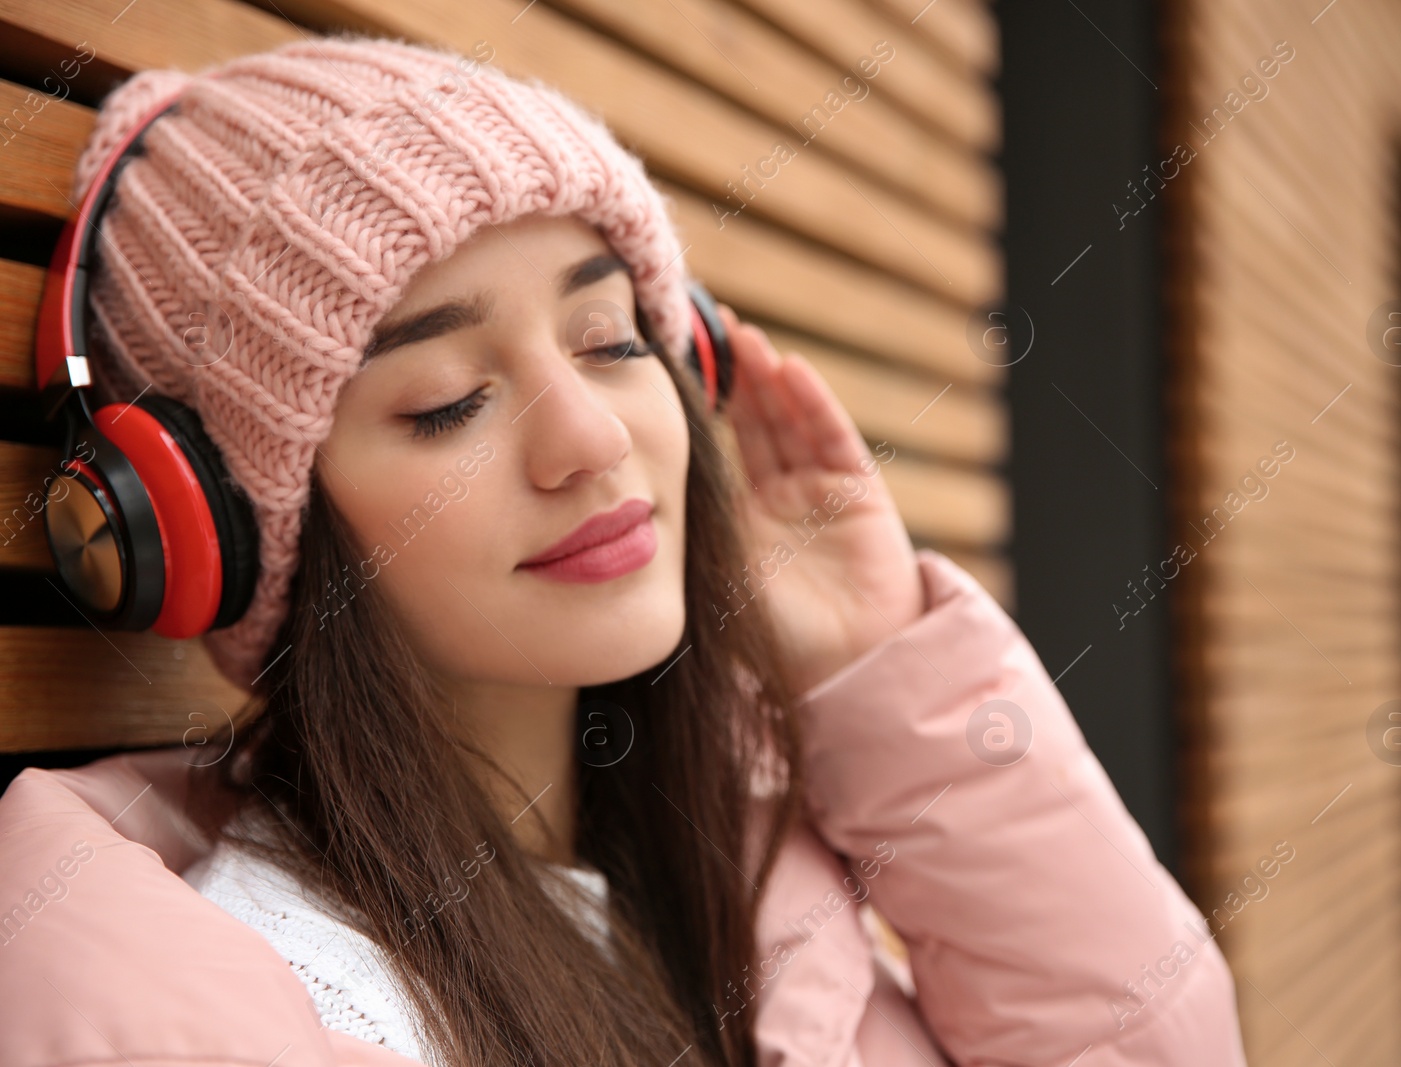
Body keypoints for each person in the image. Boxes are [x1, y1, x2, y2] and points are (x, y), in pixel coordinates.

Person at [0, 33, 1248, 1067]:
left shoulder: (739, 877)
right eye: (445, 399)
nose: (591, 438)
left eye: (609, 339)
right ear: (205, 530)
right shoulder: (295, 994)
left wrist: (881, 668)